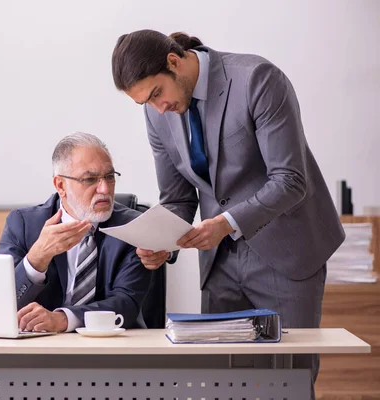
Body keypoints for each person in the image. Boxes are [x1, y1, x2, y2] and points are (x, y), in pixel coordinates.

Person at [111, 30, 345, 397]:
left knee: (289, 383)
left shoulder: (256, 79)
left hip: (287, 252)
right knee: (220, 384)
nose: (158, 108)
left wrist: (226, 223)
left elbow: (290, 180)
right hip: (219, 263)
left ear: (174, 61)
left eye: (156, 93)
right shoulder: (157, 114)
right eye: (145, 102)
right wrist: (162, 244)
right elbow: (177, 197)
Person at [0, 132, 152, 333]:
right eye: (90, 179)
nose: (104, 188)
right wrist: (36, 259)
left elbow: (126, 303)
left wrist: (63, 319)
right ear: (60, 185)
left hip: (115, 348)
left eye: (109, 177)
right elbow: (2, 304)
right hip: (39, 349)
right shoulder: (23, 224)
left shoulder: (134, 226)